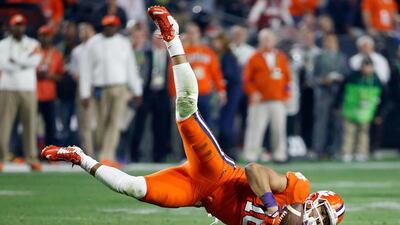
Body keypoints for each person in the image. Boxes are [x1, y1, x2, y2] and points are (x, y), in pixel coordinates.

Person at [42, 6, 346, 225]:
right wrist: (270, 207)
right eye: (321, 213)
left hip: (198, 195)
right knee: (186, 111)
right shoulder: (296, 189)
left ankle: (78, 157)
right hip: (218, 173)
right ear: (314, 200)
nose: (318, 221)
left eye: (324, 222)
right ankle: (173, 38)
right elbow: (254, 170)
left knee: (134, 188)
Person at [79, 15, 142, 168]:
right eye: (107, 25)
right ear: (103, 26)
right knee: (100, 122)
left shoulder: (123, 43)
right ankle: (102, 153)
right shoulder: (93, 43)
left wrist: (137, 90)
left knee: (115, 122)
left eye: (113, 25)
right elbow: (85, 69)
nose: (110, 28)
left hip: (120, 87)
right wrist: (84, 93)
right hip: (100, 88)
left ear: (117, 27)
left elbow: (130, 67)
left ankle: (107, 155)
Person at [0, 14, 42, 171]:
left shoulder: (33, 43)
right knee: (4, 124)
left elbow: (35, 61)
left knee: (30, 123)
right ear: (10, 26)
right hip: (7, 87)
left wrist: (16, 61)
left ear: (24, 27)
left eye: (21, 24)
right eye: (16, 24)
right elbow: (4, 65)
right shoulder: (2, 44)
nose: (19, 27)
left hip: (28, 87)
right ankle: (1, 157)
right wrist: (24, 62)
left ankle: (31, 158)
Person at [242, 29, 291, 163]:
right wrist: (252, 92)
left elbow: (287, 78)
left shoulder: (281, 57)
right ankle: (251, 155)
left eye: (270, 39)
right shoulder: (254, 57)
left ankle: (280, 155)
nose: (267, 41)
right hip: (260, 101)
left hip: (277, 99)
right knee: (255, 129)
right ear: (260, 41)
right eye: (265, 39)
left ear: (275, 41)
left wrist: (287, 94)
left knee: (279, 129)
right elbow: (246, 79)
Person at [168, 22, 226, 126]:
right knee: (188, 127)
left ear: (199, 34)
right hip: (187, 95)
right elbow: (173, 74)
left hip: (204, 93)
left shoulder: (207, 52)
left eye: (194, 32)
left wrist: (221, 90)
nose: (192, 35)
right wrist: (173, 93)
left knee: (206, 126)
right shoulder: (181, 53)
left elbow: (216, 73)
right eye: (189, 33)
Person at [130, 33, 172, 162]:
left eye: (161, 39)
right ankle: (134, 154)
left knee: (160, 126)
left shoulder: (170, 56)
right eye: (156, 38)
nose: (159, 41)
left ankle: (159, 155)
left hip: (162, 93)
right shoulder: (145, 53)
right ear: (152, 40)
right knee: (139, 125)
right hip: (147, 92)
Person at [338, 56, 384, 162]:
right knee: (349, 131)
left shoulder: (376, 80)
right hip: (352, 109)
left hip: (366, 111)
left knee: (364, 132)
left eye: (369, 67)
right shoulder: (353, 77)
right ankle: (347, 152)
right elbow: (342, 91)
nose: (367, 69)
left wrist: (378, 113)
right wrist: (339, 104)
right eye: (365, 66)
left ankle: (361, 152)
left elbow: (382, 97)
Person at [312, 33, 348, 159]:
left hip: (338, 94)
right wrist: (323, 80)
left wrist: (340, 79)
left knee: (338, 124)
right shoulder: (319, 57)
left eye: (332, 41)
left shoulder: (343, 57)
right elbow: (312, 78)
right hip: (323, 95)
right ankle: (318, 150)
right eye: (328, 41)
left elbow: (347, 75)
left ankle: (335, 150)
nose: (330, 43)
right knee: (321, 123)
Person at [211, 33, 242, 159]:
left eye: (217, 41)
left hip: (229, 94)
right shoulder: (215, 55)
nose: (215, 44)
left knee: (226, 123)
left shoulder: (228, 57)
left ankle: (228, 151)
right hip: (221, 93)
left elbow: (231, 76)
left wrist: (221, 82)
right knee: (218, 123)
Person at [70, 22, 96, 156]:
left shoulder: (99, 47)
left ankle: (104, 154)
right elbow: (74, 73)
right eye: (81, 30)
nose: (84, 33)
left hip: (98, 87)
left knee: (101, 122)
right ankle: (90, 155)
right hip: (83, 88)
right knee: (85, 124)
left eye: (87, 30)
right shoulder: (77, 51)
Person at [36, 25, 64, 148]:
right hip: (34, 94)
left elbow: (60, 76)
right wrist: (37, 74)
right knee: (32, 126)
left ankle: (50, 154)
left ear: (51, 37)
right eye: (42, 35)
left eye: (47, 35)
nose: (45, 38)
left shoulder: (56, 54)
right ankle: (32, 153)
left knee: (50, 127)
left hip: (49, 95)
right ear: (39, 37)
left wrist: (48, 75)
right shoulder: (33, 51)